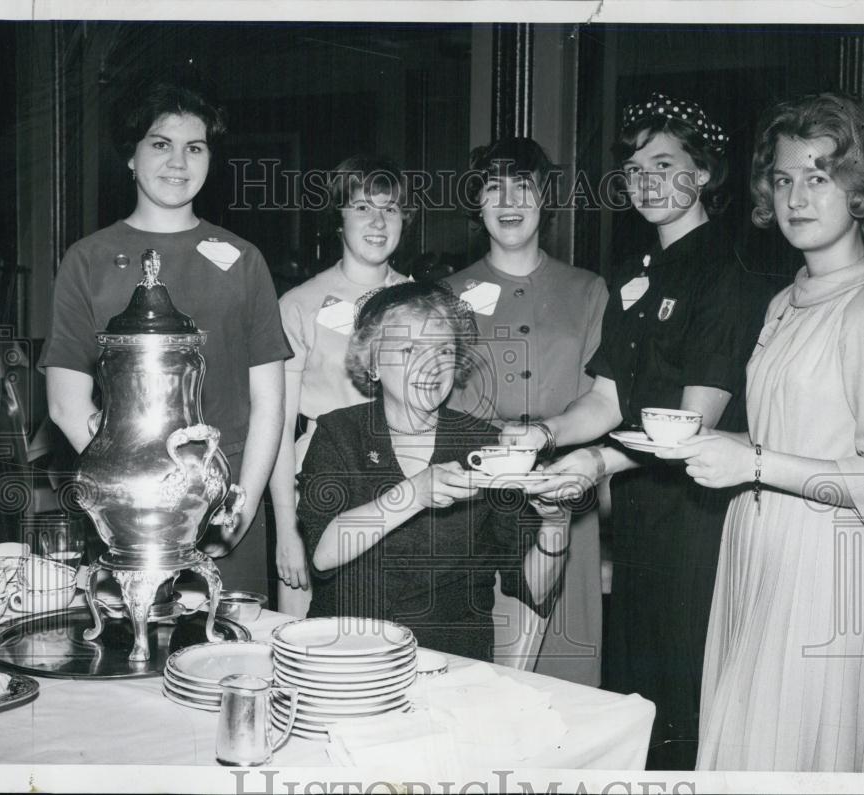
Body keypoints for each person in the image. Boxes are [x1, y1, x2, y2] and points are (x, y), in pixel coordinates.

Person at [656, 92, 864, 772]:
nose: (796, 196)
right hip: (761, 548)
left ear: (860, 190)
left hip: (832, 567)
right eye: (783, 179)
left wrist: (754, 462)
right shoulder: (787, 296)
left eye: (819, 175)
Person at [506, 94, 769, 768]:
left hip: (702, 521)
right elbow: (606, 399)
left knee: (685, 692)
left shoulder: (727, 279)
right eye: (633, 167)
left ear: (705, 172)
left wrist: (594, 463)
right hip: (644, 517)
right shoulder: (635, 275)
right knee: (639, 688)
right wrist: (543, 431)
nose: (645, 180)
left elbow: (692, 425)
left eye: (665, 164)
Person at [40, 69, 290, 594]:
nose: (178, 162)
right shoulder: (87, 260)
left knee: (228, 664)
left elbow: (269, 403)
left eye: (194, 148)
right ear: (131, 157)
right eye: (161, 144)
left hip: (228, 507)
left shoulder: (244, 261)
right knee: (124, 660)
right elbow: (66, 403)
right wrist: (144, 493)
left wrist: (230, 503)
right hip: (125, 517)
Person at [297, 282, 570, 660]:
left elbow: (534, 591)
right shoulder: (339, 433)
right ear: (373, 363)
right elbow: (324, 554)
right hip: (346, 652)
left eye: (444, 350)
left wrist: (556, 525)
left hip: (449, 658)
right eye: (410, 349)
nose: (431, 366)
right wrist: (414, 493)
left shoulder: (488, 447)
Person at [444, 137, 608, 685]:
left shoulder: (588, 291)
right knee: (477, 665)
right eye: (494, 187)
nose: (509, 200)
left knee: (566, 662)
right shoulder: (447, 294)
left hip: (561, 489)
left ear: (546, 201)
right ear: (477, 202)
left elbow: (601, 399)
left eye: (524, 187)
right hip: (473, 496)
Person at [269, 155, 412, 618]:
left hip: (402, 486)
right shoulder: (298, 305)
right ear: (339, 217)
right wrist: (288, 532)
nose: (377, 221)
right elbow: (277, 430)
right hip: (321, 489)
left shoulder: (422, 303)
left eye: (390, 209)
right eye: (362, 208)